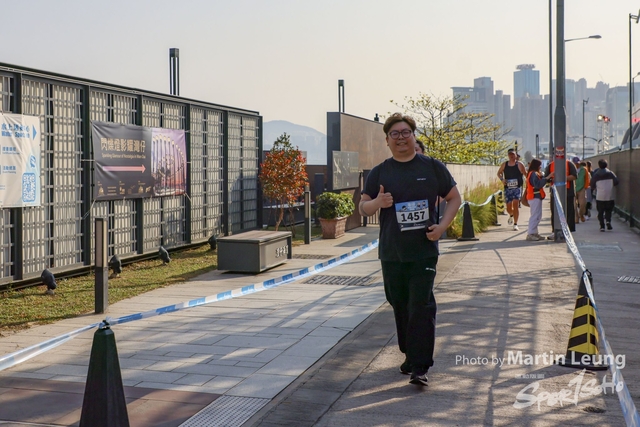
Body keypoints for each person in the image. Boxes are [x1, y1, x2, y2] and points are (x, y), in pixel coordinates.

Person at [360, 113, 461, 386]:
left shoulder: (432, 167)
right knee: (400, 304)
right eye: (395, 134)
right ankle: (410, 354)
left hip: (423, 250)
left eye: (406, 132)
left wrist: (442, 227)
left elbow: (454, 198)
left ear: (414, 136)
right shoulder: (380, 172)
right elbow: (363, 207)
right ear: (387, 140)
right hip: (391, 252)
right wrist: (378, 203)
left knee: (421, 305)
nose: (401, 138)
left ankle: (420, 366)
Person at [497, 149, 526, 231]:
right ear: (508, 155)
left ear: (516, 155)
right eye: (510, 154)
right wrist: (502, 179)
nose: (511, 156)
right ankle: (511, 214)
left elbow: (525, 174)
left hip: (517, 188)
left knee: (516, 205)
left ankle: (515, 224)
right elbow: (499, 173)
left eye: (513, 154)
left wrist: (529, 184)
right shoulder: (504, 164)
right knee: (508, 208)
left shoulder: (520, 164)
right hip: (508, 188)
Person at [545, 159, 577, 233]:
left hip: (568, 192)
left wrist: (562, 178)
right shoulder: (550, 165)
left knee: (569, 212)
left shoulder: (569, 164)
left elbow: (574, 176)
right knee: (555, 212)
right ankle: (555, 230)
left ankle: (569, 230)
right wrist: (551, 179)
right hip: (555, 192)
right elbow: (546, 178)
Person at [525, 159, 554, 241]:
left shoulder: (533, 173)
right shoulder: (533, 174)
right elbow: (538, 185)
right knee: (535, 216)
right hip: (534, 197)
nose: (540, 167)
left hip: (535, 197)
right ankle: (531, 234)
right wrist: (548, 177)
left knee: (537, 216)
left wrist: (544, 178)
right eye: (540, 165)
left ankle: (534, 233)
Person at [590, 159, 619, 232]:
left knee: (600, 212)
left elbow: (592, 185)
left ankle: (602, 226)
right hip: (610, 195)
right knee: (609, 210)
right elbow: (616, 182)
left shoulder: (596, 175)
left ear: (599, 165)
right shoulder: (611, 173)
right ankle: (608, 221)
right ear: (606, 165)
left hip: (600, 196)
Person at [573, 157, 587, 223]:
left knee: (582, 203)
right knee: (574, 205)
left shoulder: (584, 169)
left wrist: (585, 186)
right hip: (573, 188)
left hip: (582, 188)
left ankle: (581, 214)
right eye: (575, 163)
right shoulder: (571, 169)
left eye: (578, 163)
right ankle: (576, 218)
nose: (577, 165)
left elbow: (587, 178)